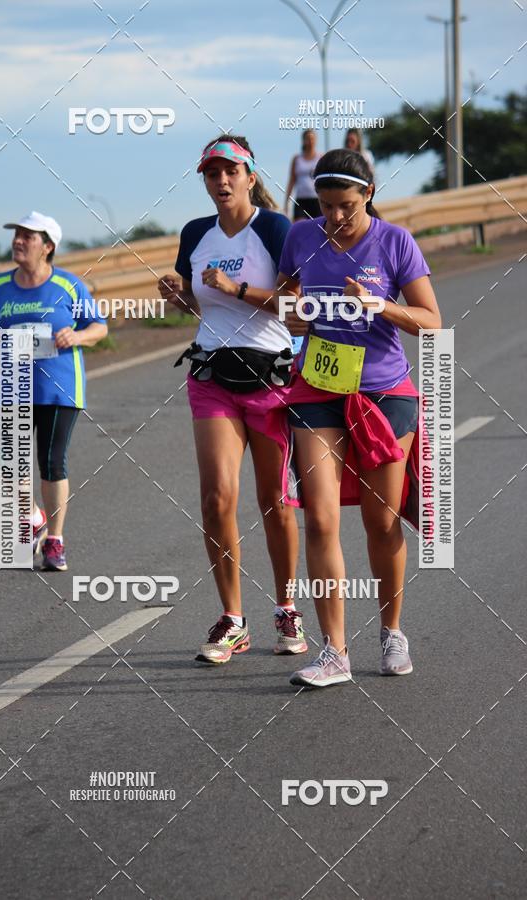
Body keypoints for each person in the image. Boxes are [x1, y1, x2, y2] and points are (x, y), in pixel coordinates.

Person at [277, 149, 441, 688]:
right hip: (318, 387)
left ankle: (392, 630)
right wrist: (295, 315)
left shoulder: (394, 242)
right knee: (321, 519)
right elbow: (286, 306)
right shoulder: (302, 237)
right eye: (325, 206)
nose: (335, 218)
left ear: (367, 194)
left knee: (381, 521)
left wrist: (379, 305)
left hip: (383, 393)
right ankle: (334, 652)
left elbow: (431, 322)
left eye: (345, 206)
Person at [158, 135, 307, 665]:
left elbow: (296, 304)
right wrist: (178, 298)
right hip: (212, 374)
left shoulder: (273, 228)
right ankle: (233, 619)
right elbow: (196, 305)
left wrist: (238, 288)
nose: (220, 181)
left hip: (270, 379)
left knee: (274, 500)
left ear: (249, 175)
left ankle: (287, 606)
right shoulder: (195, 233)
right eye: (211, 173)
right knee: (217, 498)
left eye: (229, 172)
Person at [0, 211, 107, 571]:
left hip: (59, 387)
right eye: (17, 235)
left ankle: (55, 540)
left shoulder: (69, 285)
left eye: (28, 236)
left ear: (48, 246)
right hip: (13, 387)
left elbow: (98, 327)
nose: (18, 241)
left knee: (50, 462)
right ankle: (32, 516)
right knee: (11, 467)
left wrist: (76, 335)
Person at [284, 129, 322, 221]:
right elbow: (292, 181)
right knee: (299, 226)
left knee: (318, 228)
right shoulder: (297, 159)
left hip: (317, 200)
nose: (310, 141)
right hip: (301, 200)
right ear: (303, 141)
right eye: (308, 139)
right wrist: (287, 202)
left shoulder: (320, 157)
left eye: (312, 139)